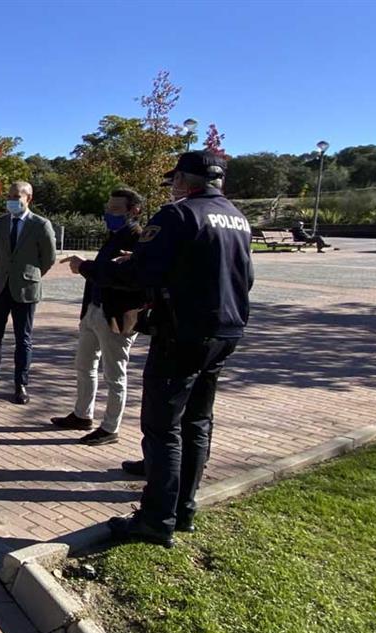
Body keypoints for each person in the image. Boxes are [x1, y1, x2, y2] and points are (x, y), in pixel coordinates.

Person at [65, 151, 254, 548]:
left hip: (183, 332)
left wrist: (89, 268)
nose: (170, 187)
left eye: (173, 181)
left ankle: (155, 519)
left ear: (186, 180)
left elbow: (139, 273)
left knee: (163, 426)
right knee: (197, 421)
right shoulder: (236, 217)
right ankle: (183, 506)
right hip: (226, 329)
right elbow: (244, 275)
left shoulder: (178, 214)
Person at [51, 188, 146, 446]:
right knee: (84, 366)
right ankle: (82, 414)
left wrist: (85, 265)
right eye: (108, 208)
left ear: (134, 210)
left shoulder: (138, 238)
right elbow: (105, 270)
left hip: (116, 318)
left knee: (114, 375)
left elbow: (123, 277)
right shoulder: (114, 236)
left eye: (115, 209)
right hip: (94, 310)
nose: (109, 214)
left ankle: (110, 428)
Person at [0, 181, 56, 404]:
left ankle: (21, 385)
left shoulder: (41, 224)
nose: (11, 200)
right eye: (9, 196)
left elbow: (48, 258)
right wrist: (3, 271)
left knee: (23, 339)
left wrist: (29, 274)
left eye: (16, 196)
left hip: (25, 288)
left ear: (29, 198)